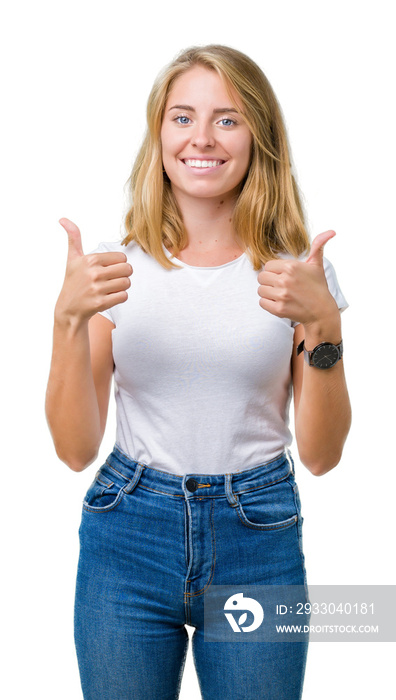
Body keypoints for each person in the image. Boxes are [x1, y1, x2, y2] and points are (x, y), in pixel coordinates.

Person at [45, 44, 351, 700]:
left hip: (258, 538)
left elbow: (323, 456)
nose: (202, 138)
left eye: (227, 119)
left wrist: (324, 327)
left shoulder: (298, 274)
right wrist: (67, 322)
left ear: (258, 136)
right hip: (128, 534)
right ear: (159, 135)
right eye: (182, 118)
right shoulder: (113, 268)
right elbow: (73, 449)